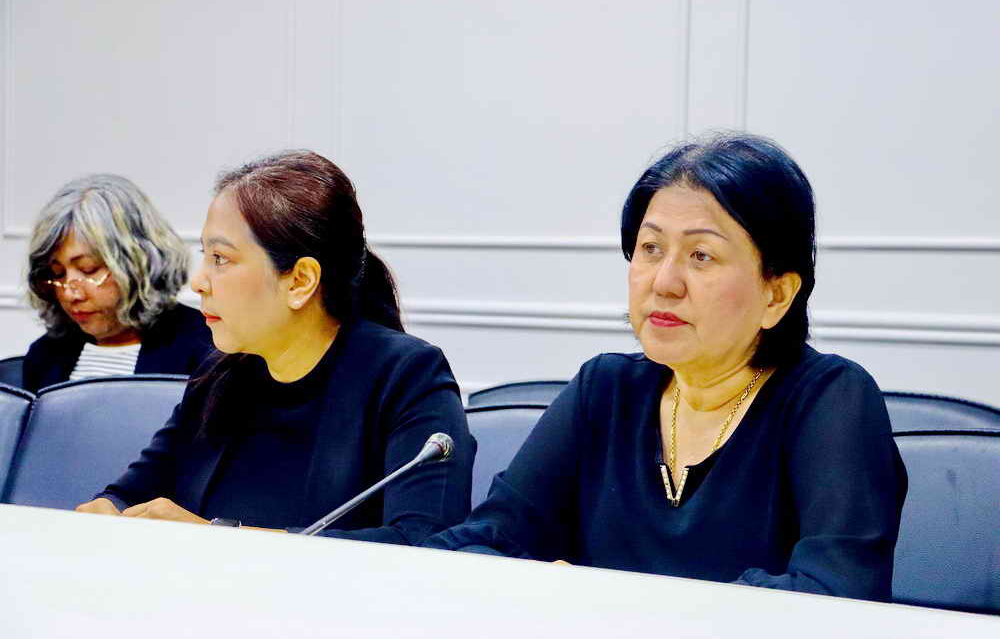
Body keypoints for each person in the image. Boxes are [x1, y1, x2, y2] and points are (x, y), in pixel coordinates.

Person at [425, 133, 907, 601]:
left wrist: (608, 601)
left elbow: (835, 595)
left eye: (701, 256)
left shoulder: (830, 400)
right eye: (651, 248)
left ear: (776, 294)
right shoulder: (605, 389)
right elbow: (481, 542)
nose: (664, 282)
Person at [76, 150, 475, 544]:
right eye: (205, 255)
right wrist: (107, 509)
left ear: (300, 281)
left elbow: (424, 541)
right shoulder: (219, 374)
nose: (198, 282)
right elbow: (131, 492)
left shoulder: (407, 376)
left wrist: (218, 539)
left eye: (221, 258)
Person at [23, 174, 213, 393]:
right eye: (57, 274)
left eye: (88, 269)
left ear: (138, 263)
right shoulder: (44, 354)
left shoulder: (205, 346)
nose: (70, 294)